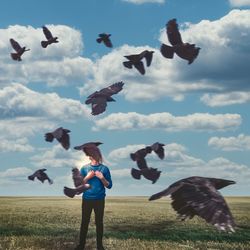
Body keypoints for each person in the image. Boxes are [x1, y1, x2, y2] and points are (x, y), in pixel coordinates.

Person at [75, 145, 112, 250]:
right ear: (89, 156)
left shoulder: (104, 169)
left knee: (99, 223)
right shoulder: (84, 168)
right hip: (87, 199)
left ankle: (100, 246)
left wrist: (102, 178)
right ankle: (81, 245)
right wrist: (87, 177)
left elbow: (109, 185)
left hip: (99, 200)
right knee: (84, 222)